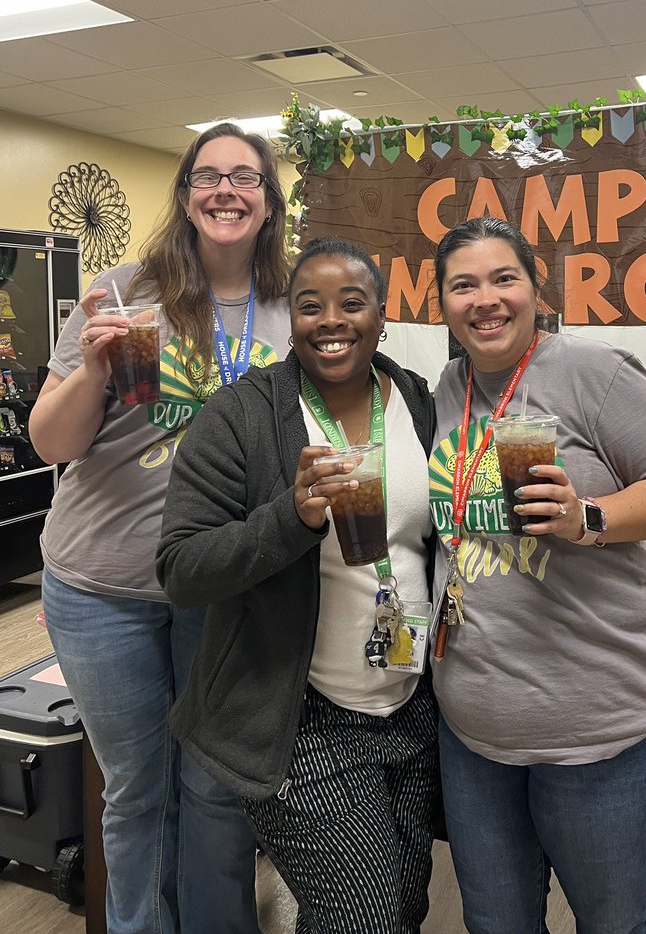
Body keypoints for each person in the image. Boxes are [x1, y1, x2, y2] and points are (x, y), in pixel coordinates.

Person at [31, 122, 292, 934]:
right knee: (139, 784)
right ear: (184, 196)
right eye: (207, 176)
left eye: (244, 177)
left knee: (212, 782)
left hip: (217, 586)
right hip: (102, 586)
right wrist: (97, 369)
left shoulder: (290, 307)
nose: (225, 190)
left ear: (268, 201)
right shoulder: (119, 291)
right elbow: (52, 442)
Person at [428, 216, 646, 934]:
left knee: (612, 924)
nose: (485, 299)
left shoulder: (593, 371)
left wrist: (590, 516)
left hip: (602, 725)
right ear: (443, 302)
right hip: (477, 727)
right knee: (496, 922)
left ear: (534, 287)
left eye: (503, 278)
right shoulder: (447, 388)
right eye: (464, 285)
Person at [157, 238, 439, 934]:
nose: (331, 321)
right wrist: (293, 515)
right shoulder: (240, 416)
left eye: (352, 303)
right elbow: (181, 569)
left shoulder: (418, 402)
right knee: (364, 920)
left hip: (407, 704)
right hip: (299, 719)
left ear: (382, 314)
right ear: (293, 321)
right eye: (310, 306)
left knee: (401, 909)